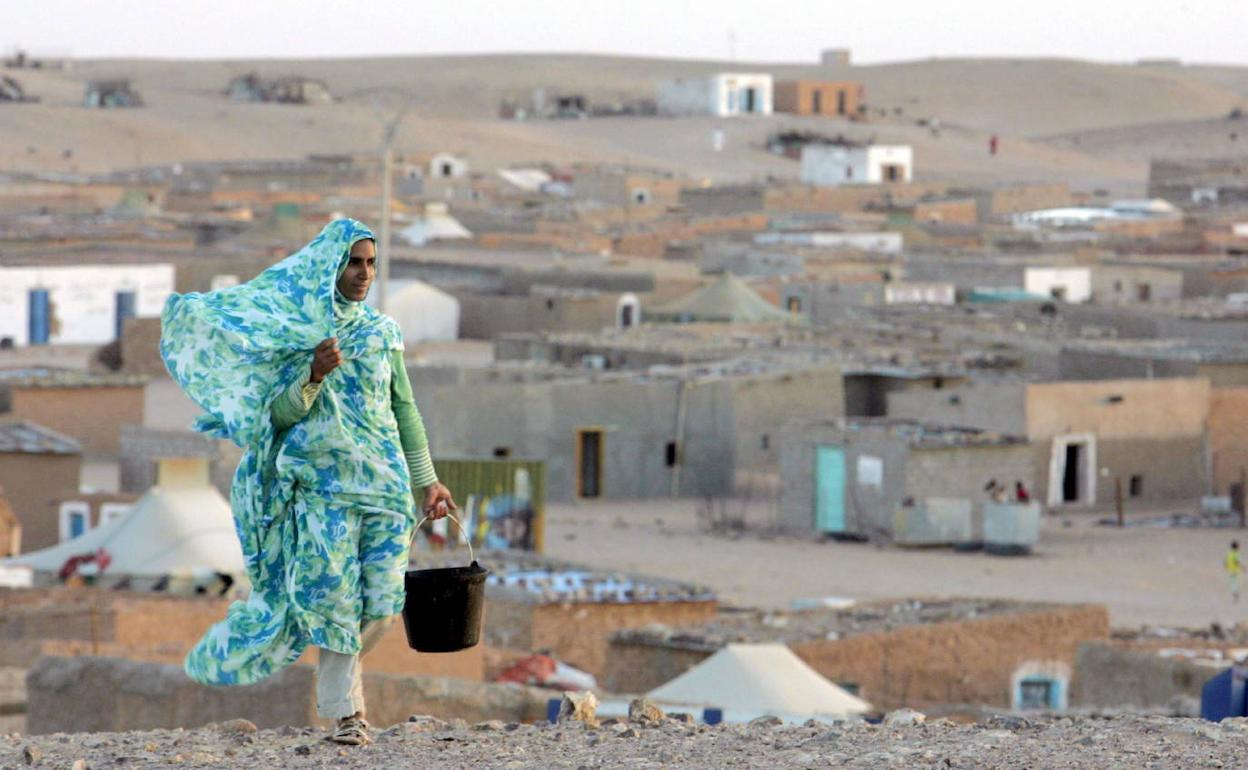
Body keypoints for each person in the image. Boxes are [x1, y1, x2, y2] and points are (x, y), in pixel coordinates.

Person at [160, 218, 456, 746]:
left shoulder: (382, 334)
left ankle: (341, 683)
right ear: (329, 267)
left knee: (384, 605)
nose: (363, 273)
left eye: (370, 263)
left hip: (385, 489)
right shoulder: (298, 339)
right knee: (336, 600)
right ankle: (348, 716)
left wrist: (426, 482)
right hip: (323, 489)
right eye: (353, 262)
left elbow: (404, 409)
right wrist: (314, 375)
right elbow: (273, 418)